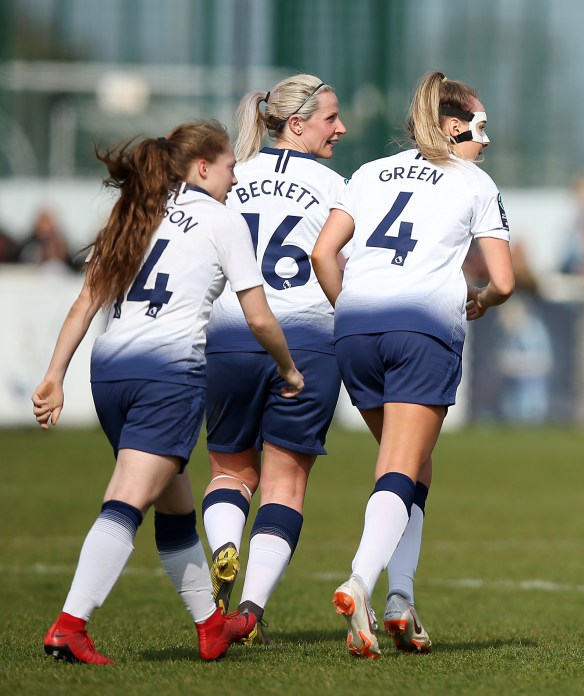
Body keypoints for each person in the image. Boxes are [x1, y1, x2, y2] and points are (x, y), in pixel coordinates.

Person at [31, 120, 304, 665]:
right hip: (168, 377)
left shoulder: (136, 211)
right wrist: (290, 371)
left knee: (175, 508)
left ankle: (210, 627)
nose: (234, 177)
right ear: (202, 166)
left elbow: (86, 303)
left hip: (109, 373)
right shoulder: (222, 221)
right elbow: (259, 317)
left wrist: (55, 375)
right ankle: (68, 625)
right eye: (229, 166)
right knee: (127, 500)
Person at [312, 70, 514, 659]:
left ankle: (402, 601)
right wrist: (480, 300)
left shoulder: (369, 172)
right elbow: (503, 280)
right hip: (422, 328)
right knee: (399, 469)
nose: (486, 139)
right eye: (480, 127)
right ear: (452, 128)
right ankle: (361, 582)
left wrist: (351, 309)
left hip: (354, 327)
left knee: (412, 469)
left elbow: (325, 252)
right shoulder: (474, 181)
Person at [199, 74, 347, 645]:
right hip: (307, 344)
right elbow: (337, 265)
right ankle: (250, 612)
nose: (341, 128)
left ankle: (225, 546)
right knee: (285, 488)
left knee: (229, 472)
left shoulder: (231, 178)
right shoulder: (339, 186)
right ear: (297, 123)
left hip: (230, 337)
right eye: (332, 118)